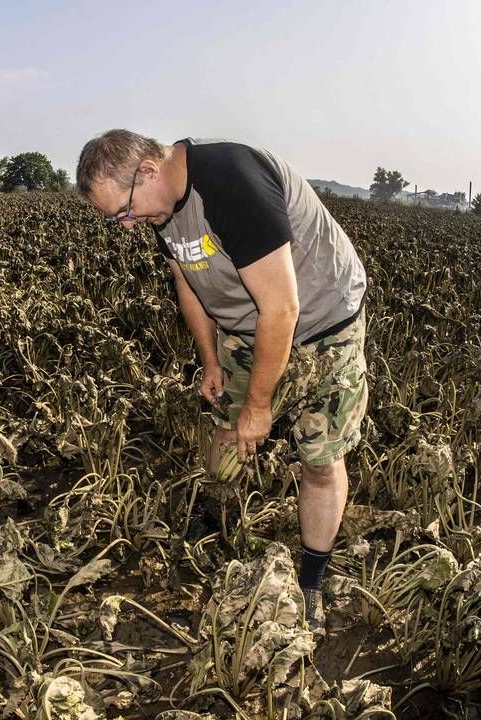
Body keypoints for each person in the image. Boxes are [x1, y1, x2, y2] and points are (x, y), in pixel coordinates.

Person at [76, 129, 368, 632]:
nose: (126, 226)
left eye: (124, 212)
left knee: (320, 456)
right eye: (115, 220)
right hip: (246, 321)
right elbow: (188, 281)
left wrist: (259, 405)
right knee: (225, 428)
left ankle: (311, 583)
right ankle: (214, 515)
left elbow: (282, 308)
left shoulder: (232, 182)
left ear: (147, 171)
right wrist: (211, 360)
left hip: (321, 320)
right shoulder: (160, 204)